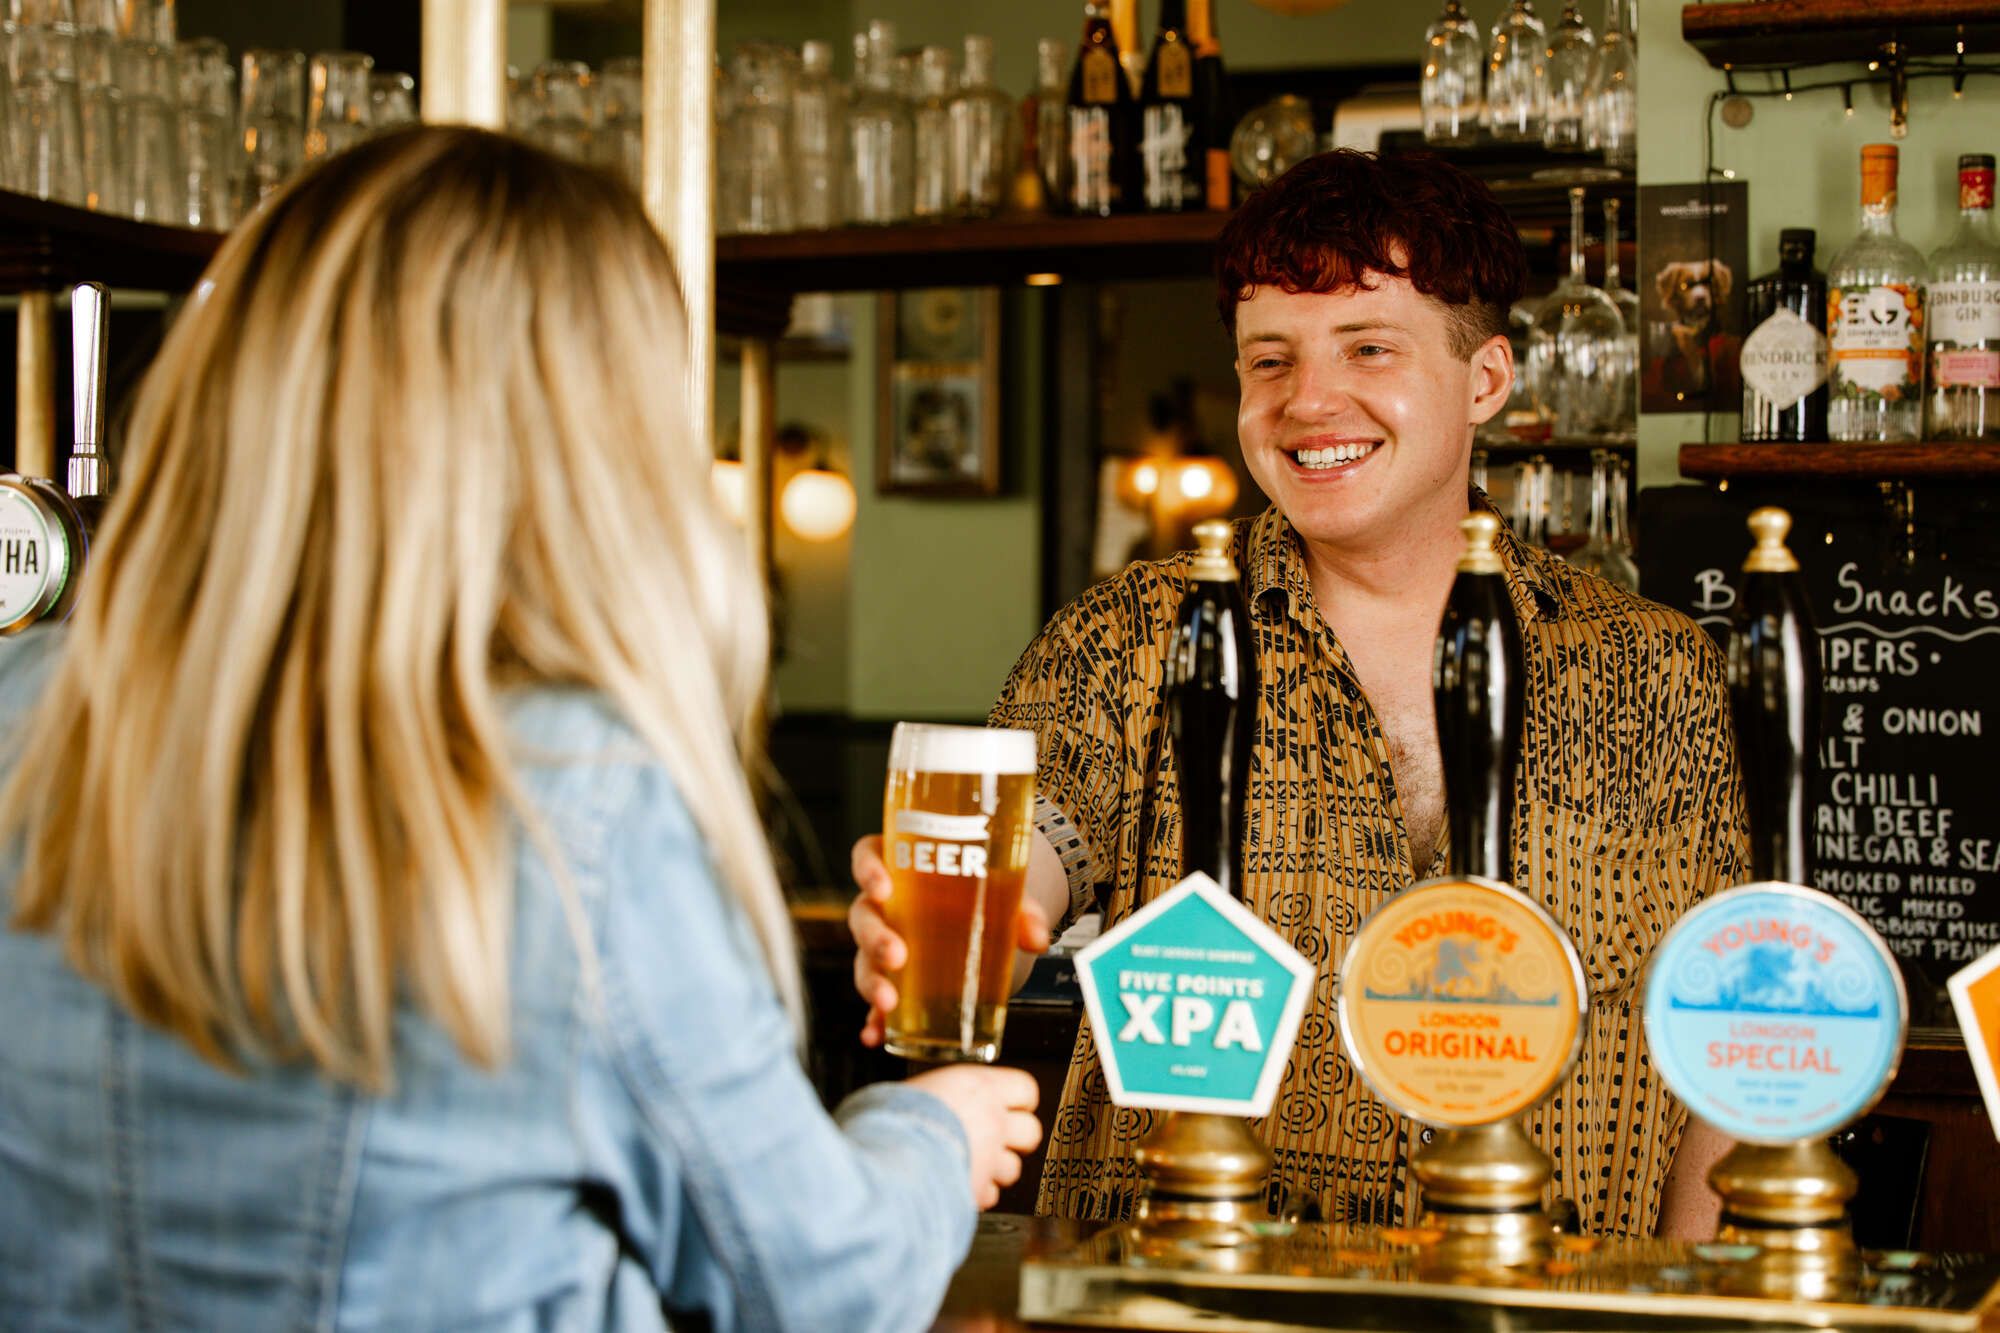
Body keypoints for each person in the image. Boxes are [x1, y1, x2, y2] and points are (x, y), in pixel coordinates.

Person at [0, 127, 1039, 1332]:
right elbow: (814, 1284)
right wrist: (931, 1135)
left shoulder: (24, 711)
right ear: (592, 447)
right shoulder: (575, 793)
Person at [850, 150, 1745, 1240]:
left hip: (1544, 1300)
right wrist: (950, 923)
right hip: (1187, 1294)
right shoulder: (1133, 633)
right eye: (1267, 360)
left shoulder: (1652, 671)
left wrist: (1690, 1301)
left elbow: (1721, 1033)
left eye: (1368, 347)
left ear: (1485, 380)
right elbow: (1034, 837)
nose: (1307, 402)